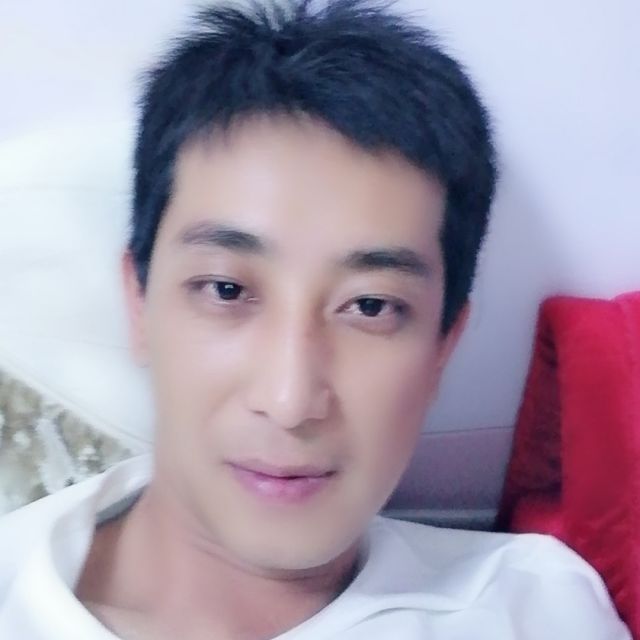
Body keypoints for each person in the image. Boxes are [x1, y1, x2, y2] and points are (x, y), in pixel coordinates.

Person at [0, 0, 631, 638]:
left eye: (370, 306)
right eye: (226, 290)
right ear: (139, 302)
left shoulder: (532, 608)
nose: (290, 401)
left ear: (444, 346)